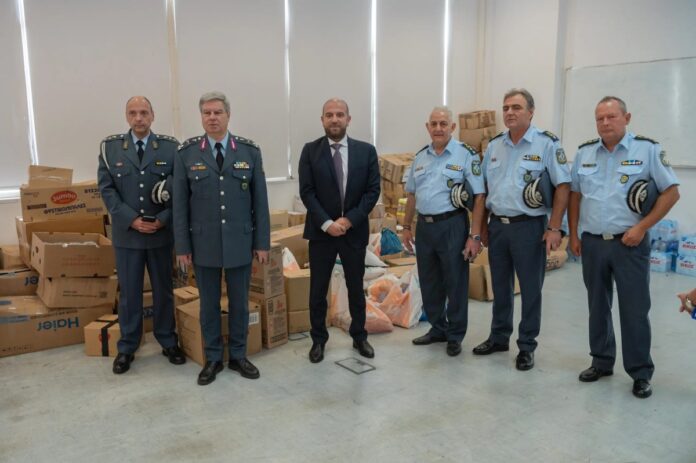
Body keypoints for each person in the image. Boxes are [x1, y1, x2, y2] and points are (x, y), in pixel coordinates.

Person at [569, 96, 680, 398]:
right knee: (597, 306)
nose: (605, 123)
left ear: (626, 118)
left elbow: (671, 193)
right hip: (593, 243)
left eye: (611, 117)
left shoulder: (647, 150)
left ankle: (640, 372)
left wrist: (642, 227)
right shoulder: (584, 153)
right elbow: (575, 195)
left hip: (630, 244)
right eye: (600, 118)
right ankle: (601, 361)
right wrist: (574, 235)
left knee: (634, 309)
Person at [173, 91, 270, 386]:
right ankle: (213, 357)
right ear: (201, 117)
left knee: (240, 303)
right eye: (207, 113)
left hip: (240, 241)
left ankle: (239, 355)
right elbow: (180, 206)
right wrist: (182, 247)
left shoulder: (249, 152)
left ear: (228, 115)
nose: (212, 118)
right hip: (204, 244)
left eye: (218, 112)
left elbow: (260, 203)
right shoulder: (187, 154)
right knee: (209, 304)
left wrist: (262, 242)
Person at [473, 88, 571, 371]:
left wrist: (555, 227)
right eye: (506, 108)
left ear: (531, 112)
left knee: (530, 289)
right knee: (500, 286)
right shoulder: (494, 146)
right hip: (498, 227)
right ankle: (499, 337)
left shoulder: (547, 144)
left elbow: (563, 186)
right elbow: (484, 189)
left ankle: (527, 346)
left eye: (516, 107)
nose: (510, 112)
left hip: (529, 228)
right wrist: (482, 227)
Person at [98, 96, 185, 374]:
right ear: (126, 116)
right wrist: (132, 220)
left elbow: (180, 190)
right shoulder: (110, 148)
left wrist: (162, 220)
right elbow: (107, 190)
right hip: (128, 236)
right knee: (129, 294)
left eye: (144, 112)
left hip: (160, 234)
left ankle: (168, 340)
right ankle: (127, 346)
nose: (139, 118)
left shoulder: (171, 148)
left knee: (164, 291)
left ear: (153, 115)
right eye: (133, 113)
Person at [298, 98, 381, 364]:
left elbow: (372, 191)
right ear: (322, 119)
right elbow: (307, 192)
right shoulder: (310, 151)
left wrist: (349, 221)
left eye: (340, 114)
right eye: (329, 115)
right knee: (317, 290)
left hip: (353, 232)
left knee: (356, 287)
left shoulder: (366, 151)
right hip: (321, 234)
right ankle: (318, 340)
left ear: (348, 119)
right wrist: (327, 223)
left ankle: (359, 336)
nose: (335, 119)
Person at [401, 106, 485, 357]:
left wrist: (475, 235)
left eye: (443, 123)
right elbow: (411, 194)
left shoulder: (466, 155)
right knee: (429, 280)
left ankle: (455, 334)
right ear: (428, 127)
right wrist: (406, 227)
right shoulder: (420, 157)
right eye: (434, 124)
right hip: (425, 227)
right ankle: (438, 328)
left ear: (452, 127)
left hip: (452, 225)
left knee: (455, 281)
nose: (438, 128)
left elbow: (479, 196)